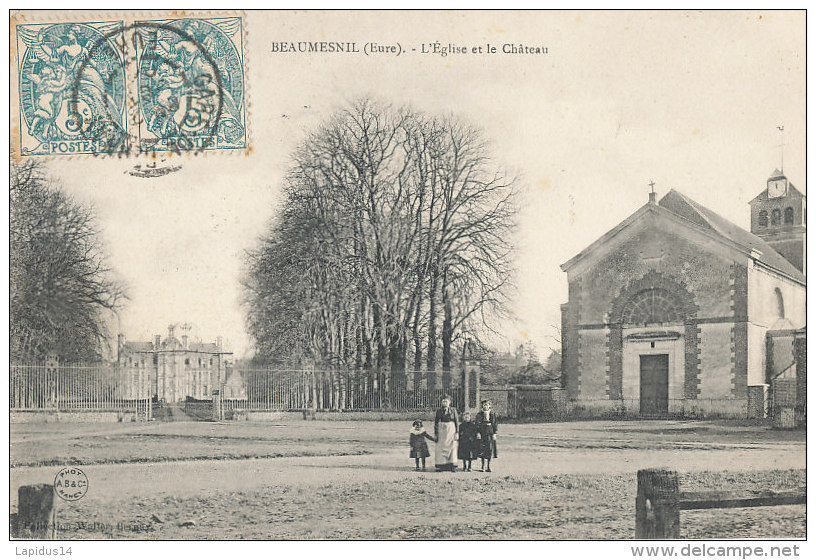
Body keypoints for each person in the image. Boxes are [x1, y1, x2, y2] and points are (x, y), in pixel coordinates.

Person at [434, 395, 459, 471]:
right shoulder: (439, 411)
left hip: (451, 429)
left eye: (446, 401)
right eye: (443, 401)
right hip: (442, 430)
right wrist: (436, 433)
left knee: (452, 446)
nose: (445, 403)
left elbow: (456, 422)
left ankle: (452, 465)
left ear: (449, 402)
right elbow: (436, 423)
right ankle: (441, 465)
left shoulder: (453, 410)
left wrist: (457, 432)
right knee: (441, 447)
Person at [475, 400, 498, 472]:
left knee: (489, 449)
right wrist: (478, 432)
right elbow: (477, 424)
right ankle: (483, 466)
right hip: (482, 433)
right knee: (482, 449)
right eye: (484, 405)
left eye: (487, 405)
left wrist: (494, 433)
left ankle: (488, 466)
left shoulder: (492, 414)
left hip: (490, 433)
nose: (486, 406)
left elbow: (495, 424)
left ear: (489, 406)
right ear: (482, 406)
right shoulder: (479, 414)